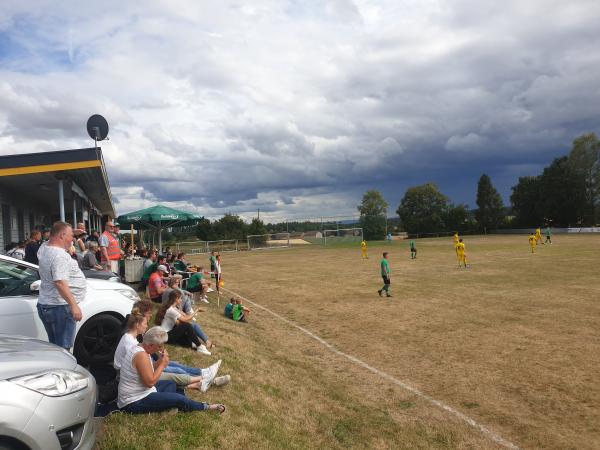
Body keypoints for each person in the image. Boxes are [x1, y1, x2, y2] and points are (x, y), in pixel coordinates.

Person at [117, 326, 225, 414]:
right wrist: (162, 365)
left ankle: (170, 407)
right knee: (180, 399)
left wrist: (160, 360)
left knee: (171, 383)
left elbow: (149, 369)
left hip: (141, 392)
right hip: (133, 401)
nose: (161, 348)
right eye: (159, 346)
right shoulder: (141, 355)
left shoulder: (140, 348)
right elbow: (150, 382)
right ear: (150, 345)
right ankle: (207, 407)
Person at [114, 311, 225, 392]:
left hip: (132, 373)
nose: (147, 326)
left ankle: (201, 379)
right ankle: (205, 377)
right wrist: (160, 363)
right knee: (173, 371)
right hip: (127, 376)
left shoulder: (130, 337)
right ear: (137, 325)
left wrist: (159, 359)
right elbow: (141, 367)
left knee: (174, 366)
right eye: (145, 324)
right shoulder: (130, 342)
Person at [36, 221, 85, 349]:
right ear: (62, 236)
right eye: (70, 235)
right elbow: (60, 283)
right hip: (59, 308)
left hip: (48, 305)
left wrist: (68, 230)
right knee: (63, 349)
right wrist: (73, 306)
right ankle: (63, 369)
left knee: (55, 347)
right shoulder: (59, 256)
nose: (73, 239)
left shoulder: (44, 248)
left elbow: (53, 235)